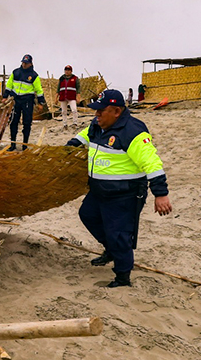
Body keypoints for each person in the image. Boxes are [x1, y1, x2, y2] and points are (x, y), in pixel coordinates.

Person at [66, 89, 172, 287]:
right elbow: (86, 135)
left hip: (125, 194)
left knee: (119, 235)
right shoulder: (98, 124)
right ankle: (111, 250)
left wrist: (161, 194)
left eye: (100, 111)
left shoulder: (134, 131)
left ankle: (122, 277)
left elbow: (152, 163)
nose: (96, 115)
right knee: (87, 215)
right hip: (99, 191)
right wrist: (73, 144)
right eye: (95, 111)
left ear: (116, 111)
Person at [2, 54, 46, 151]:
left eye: (26, 63)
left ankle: (24, 145)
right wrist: (5, 97)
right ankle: (12, 144)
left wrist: (40, 103)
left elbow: (39, 90)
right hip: (15, 100)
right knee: (13, 122)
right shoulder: (15, 72)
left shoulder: (34, 76)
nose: (24, 64)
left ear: (30, 64)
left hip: (27, 101)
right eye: (23, 62)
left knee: (27, 123)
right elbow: (9, 85)